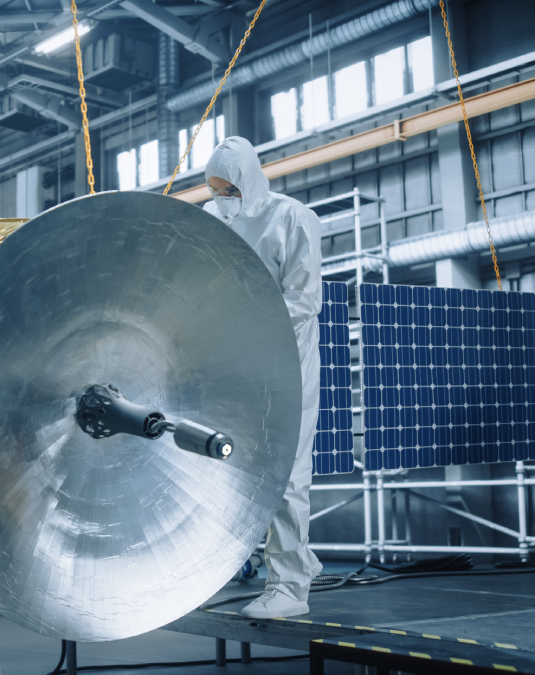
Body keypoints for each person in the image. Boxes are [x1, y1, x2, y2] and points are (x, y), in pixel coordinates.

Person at [203, 136, 324, 619]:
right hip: (234, 363)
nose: (221, 198)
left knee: (286, 475)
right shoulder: (212, 220)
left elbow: (304, 299)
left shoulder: (292, 217)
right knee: (226, 465)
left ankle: (291, 588)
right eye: (214, 190)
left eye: (229, 189)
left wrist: (247, 324)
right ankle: (275, 562)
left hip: (287, 363)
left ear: (250, 181)